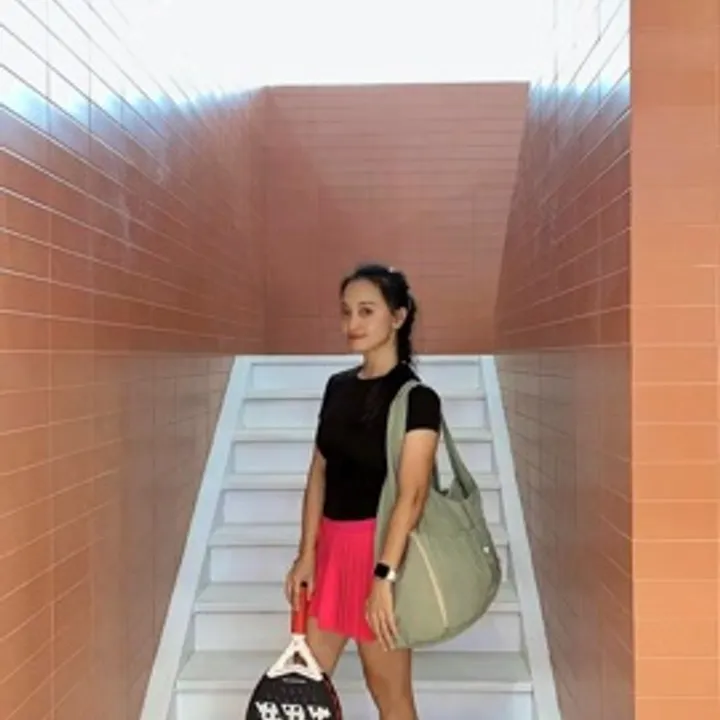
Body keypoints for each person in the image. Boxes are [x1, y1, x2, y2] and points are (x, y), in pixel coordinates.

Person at [284, 263, 441, 720]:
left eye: (366, 311)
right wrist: (307, 553)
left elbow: (413, 495)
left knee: (390, 697)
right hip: (331, 552)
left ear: (398, 317)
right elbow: (319, 472)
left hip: (378, 554)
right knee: (303, 692)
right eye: (346, 311)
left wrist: (384, 579)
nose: (352, 323)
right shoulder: (337, 387)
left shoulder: (417, 398)